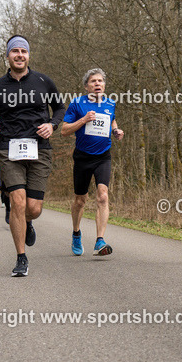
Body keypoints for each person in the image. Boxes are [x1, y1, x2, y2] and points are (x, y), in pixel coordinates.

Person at [0, 35, 65, 277]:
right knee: (17, 202)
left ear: (29, 55)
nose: (19, 55)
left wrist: (52, 125)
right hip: (9, 149)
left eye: (23, 51)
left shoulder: (43, 82)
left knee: (34, 208)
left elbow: (60, 108)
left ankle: (27, 221)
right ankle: (21, 257)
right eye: (15, 51)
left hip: (39, 148)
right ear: (8, 55)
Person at [60, 68, 124, 256]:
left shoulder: (110, 103)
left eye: (100, 81)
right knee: (80, 200)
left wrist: (116, 130)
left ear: (104, 85)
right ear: (86, 86)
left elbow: (112, 120)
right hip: (82, 157)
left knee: (103, 196)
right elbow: (64, 131)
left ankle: (100, 241)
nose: (97, 84)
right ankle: (76, 233)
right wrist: (83, 120)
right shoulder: (77, 104)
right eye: (93, 81)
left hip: (103, 156)